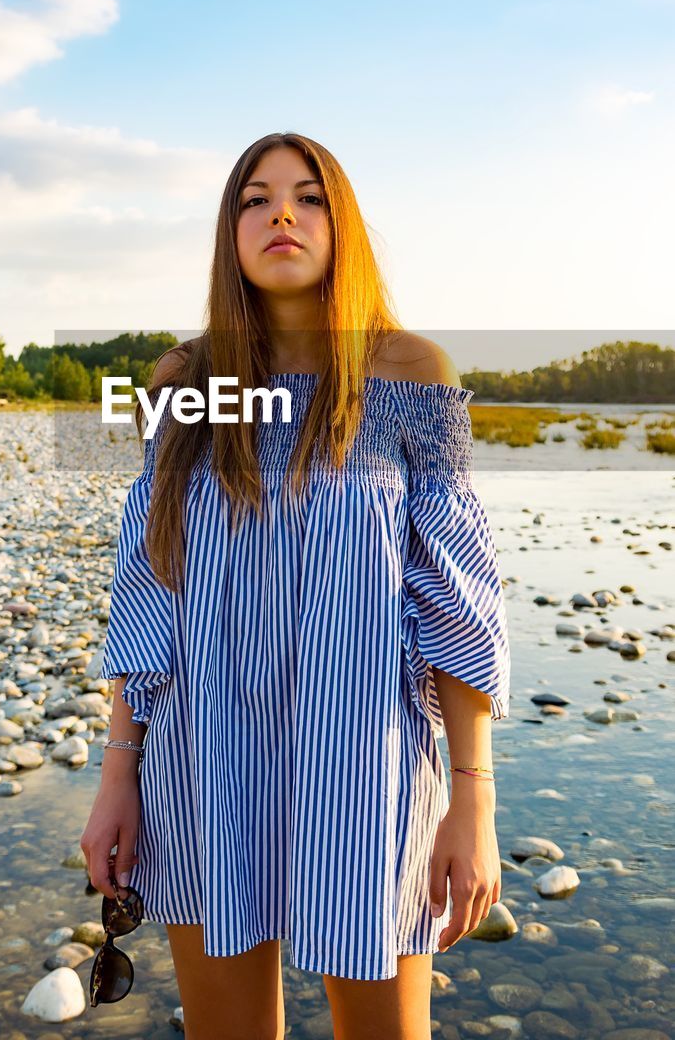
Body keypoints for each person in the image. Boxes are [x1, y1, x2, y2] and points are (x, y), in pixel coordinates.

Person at [80, 131, 512, 1040]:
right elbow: (149, 585)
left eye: (308, 196)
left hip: (369, 760)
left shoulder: (408, 375)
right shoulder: (184, 381)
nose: (281, 212)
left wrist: (471, 794)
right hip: (204, 759)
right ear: (229, 232)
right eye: (255, 198)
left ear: (339, 225)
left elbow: (457, 601)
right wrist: (118, 772)